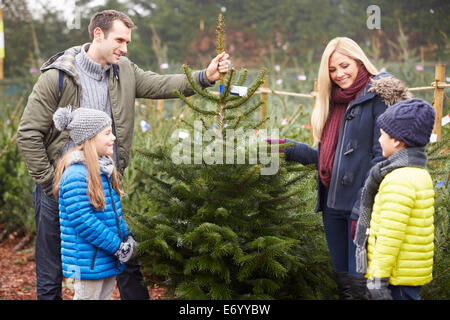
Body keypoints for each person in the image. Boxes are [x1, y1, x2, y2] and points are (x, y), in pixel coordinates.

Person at [17, 9, 230, 300]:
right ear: (98, 34)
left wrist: (205, 76)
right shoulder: (58, 76)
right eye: (119, 40)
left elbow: (160, 84)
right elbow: (28, 134)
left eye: (127, 41)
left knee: (125, 255)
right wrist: (49, 182)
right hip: (61, 185)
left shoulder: (124, 70)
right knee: (51, 267)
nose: (125, 48)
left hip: (105, 183)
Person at [268, 37, 412, 299]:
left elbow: (383, 159)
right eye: (332, 70)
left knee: (364, 287)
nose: (339, 74)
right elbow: (332, 158)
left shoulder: (378, 96)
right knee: (346, 286)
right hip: (333, 207)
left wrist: (363, 208)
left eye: (344, 66)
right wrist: (289, 148)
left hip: (363, 208)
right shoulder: (335, 101)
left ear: (358, 61)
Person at [354, 98, 435, 300]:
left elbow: (390, 236)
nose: (379, 140)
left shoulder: (398, 180)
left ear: (397, 141)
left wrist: (377, 279)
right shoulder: (418, 173)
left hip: (394, 278)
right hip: (407, 274)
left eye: (382, 135)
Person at [53, 106, 135, 300]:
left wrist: (126, 237)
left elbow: (113, 214)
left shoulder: (103, 170)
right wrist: (117, 246)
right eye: (107, 133)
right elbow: (84, 221)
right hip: (88, 260)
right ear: (90, 139)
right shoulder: (76, 175)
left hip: (105, 256)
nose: (113, 137)